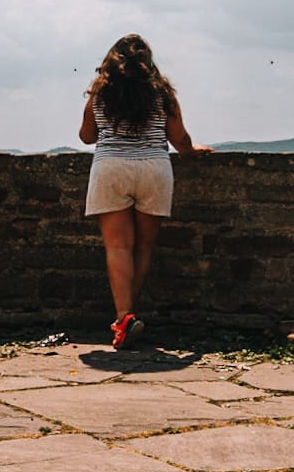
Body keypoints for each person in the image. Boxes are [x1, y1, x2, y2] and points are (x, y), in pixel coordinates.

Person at [79, 34, 209, 350]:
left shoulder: (101, 92)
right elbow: (180, 139)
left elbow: (86, 136)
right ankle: (129, 318)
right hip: (153, 168)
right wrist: (193, 151)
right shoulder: (162, 94)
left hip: (111, 168)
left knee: (118, 247)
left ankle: (123, 317)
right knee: (143, 248)